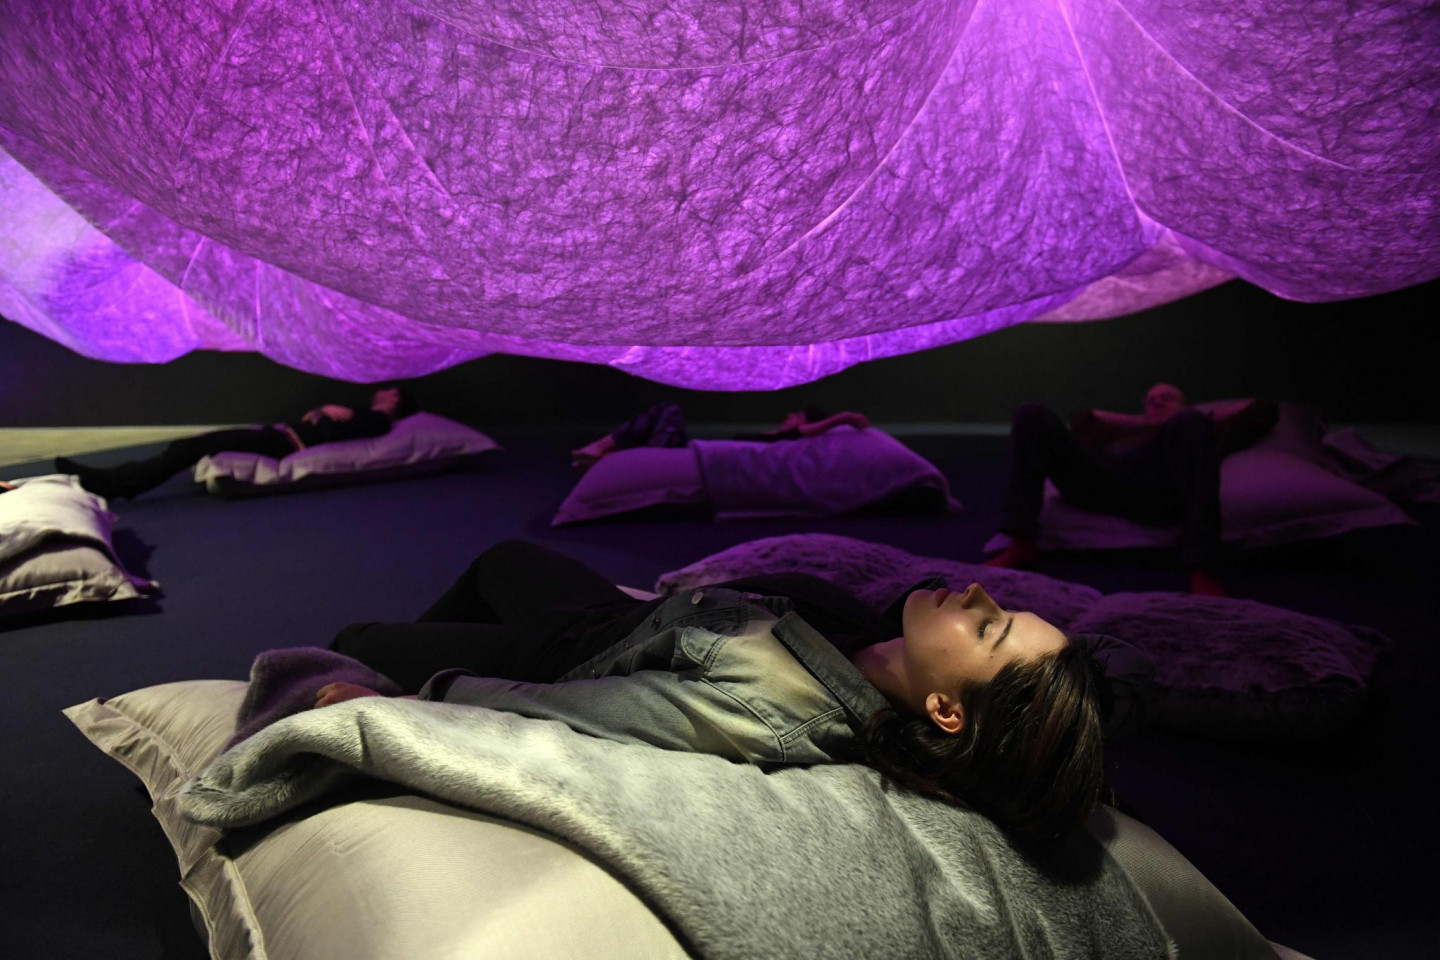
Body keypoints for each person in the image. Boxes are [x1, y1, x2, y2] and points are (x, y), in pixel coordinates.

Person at [317, 540, 1152, 845]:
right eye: (999, 607)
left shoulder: (768, 702)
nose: (976, 595)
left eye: (988, 629)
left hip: (566, 654)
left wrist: (413, 703)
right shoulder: (867, 632)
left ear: (947, 711)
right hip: (623, 614)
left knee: (356, 643)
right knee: (504, 558)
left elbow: (571, 714)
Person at [986, 384, 1279, 596]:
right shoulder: (1116, 431)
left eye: (1166, 398)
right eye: (1151, 400)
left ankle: (1202, 567)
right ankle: (1022, 544)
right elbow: (1084, 418)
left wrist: (1191, 415)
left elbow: (1263, 410)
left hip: (1157, 489)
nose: (1157, 402)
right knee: (1031, 414)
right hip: (1098, 480)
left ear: (1185, 405)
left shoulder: (1193, 429)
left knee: (1189, 424)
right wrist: (1143, 420)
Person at [55, 385, 419, 501]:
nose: (381, 392)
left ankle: (115, 483)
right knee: (190, 446)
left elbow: (337, 433)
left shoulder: (378, 419)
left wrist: (326, 414)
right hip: (278, 436)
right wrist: (323, 410)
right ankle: (120, 481)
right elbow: (322, 422)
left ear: (395, 401)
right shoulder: (364, 413)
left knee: (191, 448)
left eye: (389, 392)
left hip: (283, 443)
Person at [570, 402, 872, 469]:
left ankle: (603, 451)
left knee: (669, 411)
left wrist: (844, 417)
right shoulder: (776, 438)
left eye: (797, 416)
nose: (789, 415)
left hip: (685, 454)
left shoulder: (784, 441)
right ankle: (604, 453)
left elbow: (803, 432)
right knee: (662, 417)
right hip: (687, 449)